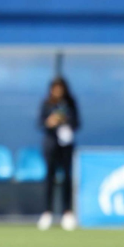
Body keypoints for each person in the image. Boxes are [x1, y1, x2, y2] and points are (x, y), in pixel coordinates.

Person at [38, 77, 78, 232]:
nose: (58, 91)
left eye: (60, 88)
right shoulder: (46, 104)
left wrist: (65, 121)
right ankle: (47, 212)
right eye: (55, 88)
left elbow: (77, 123)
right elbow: (40, 123)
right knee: (50, 178)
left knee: (67, 178)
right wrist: (50, 122)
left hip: (66, 147)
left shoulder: (70, 104)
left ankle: (67, 212)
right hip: (51, 146)